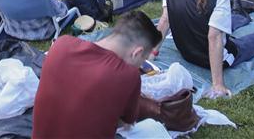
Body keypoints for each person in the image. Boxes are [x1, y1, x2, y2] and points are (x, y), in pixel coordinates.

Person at [32, 11, 162, 139]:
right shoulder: (128, 75)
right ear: (137, 52)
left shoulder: (61, 44)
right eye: (144, 59)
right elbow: (127, 123)